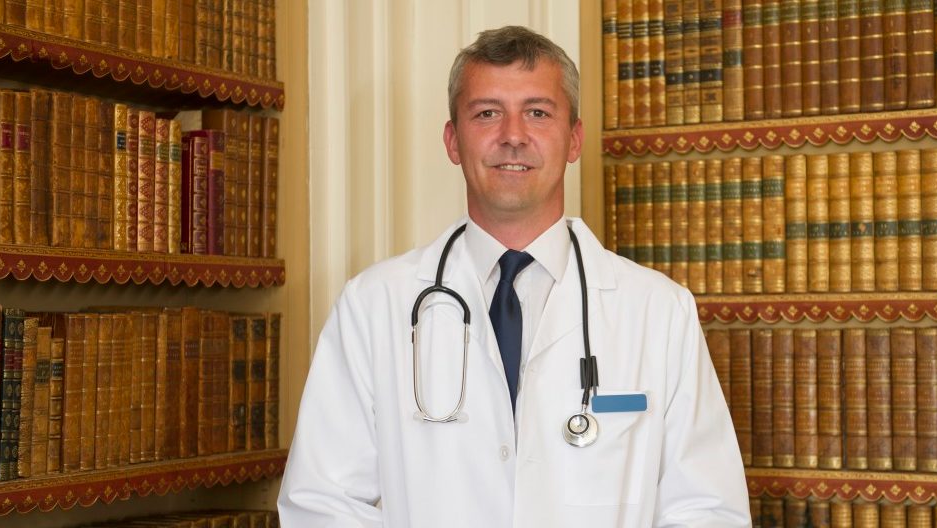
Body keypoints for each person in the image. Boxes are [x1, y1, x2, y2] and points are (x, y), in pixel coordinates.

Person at [277, 26, 750, 527]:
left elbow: (706, 510)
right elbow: (321, 505)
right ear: (452, 141)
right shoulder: (373, 305)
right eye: (486, 113)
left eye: (538, 112)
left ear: (574, 140)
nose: (513, 136)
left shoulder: (659, 311)